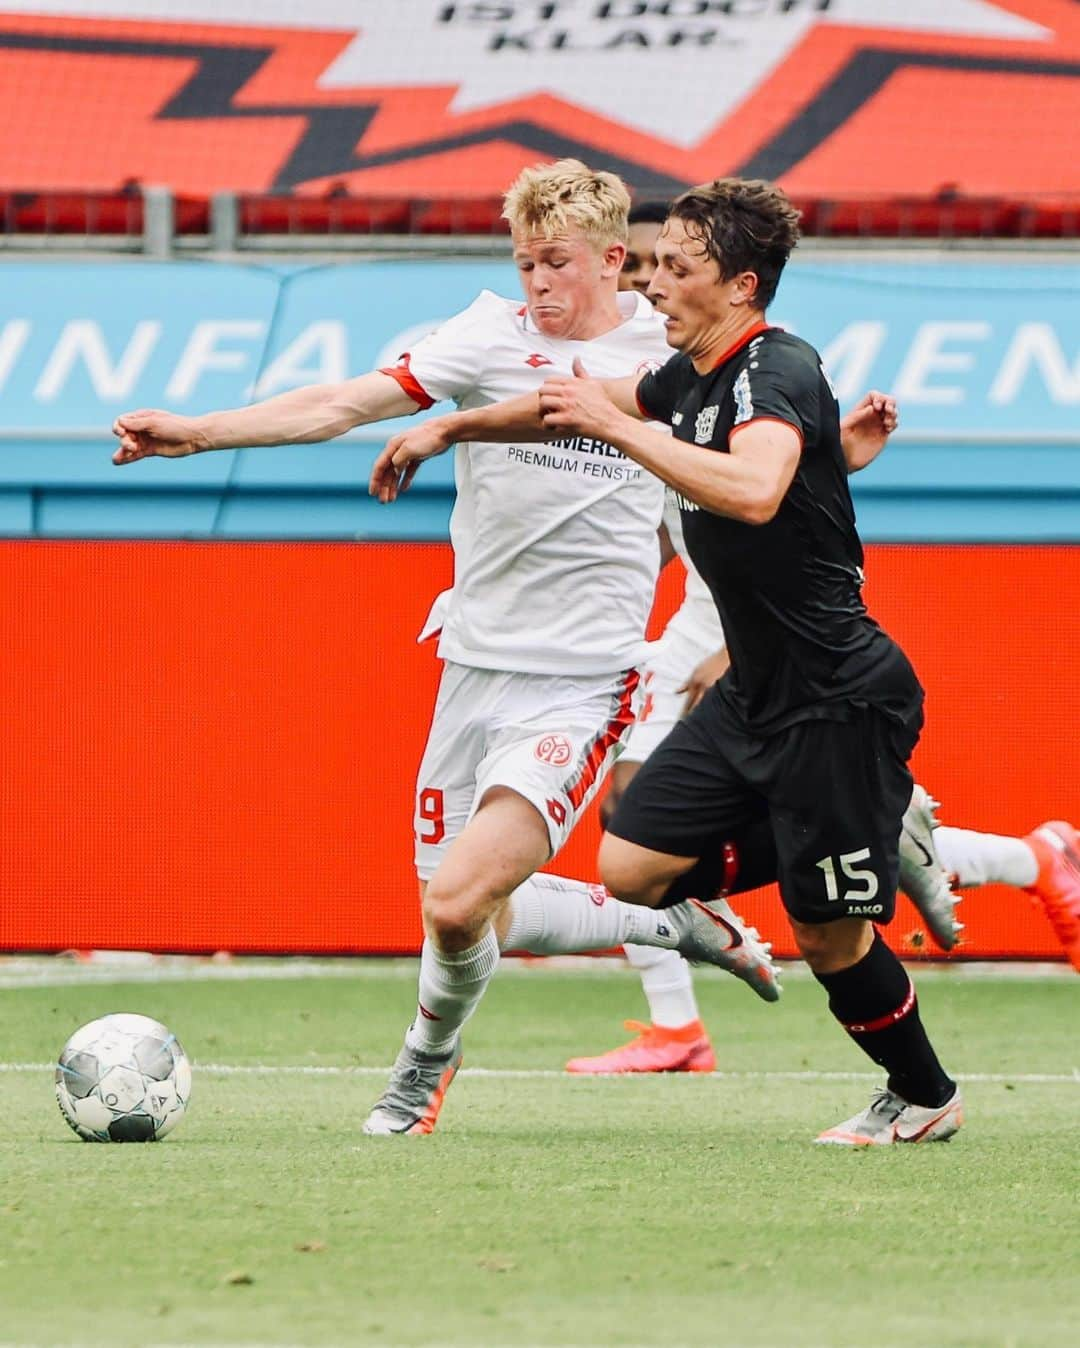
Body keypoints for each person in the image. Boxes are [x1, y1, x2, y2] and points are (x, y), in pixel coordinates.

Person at [113, 160, 791, 1138]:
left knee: (458, 897)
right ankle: (670, 919)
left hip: (585, 682)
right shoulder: (485, 337)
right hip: (472, 668)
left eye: (556, 263)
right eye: (524, 265)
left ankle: (421, 1070)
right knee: (474, 914)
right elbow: (342, 404)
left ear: (613, 259)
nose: (538, 285)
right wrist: (198, 433)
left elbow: (760, 471)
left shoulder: (669, 357)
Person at [527, 176, 962, 1144]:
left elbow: (759, 489)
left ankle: (927, 1094)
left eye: (678, 268)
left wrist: (621, 430)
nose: (653, 286)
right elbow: (576, 397)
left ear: (742, 285)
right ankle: (868, 833)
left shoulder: (777, 367)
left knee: (829, 936)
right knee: (632, 866)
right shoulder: (691, 377)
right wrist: (441, 419)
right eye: (651, 265)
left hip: (839, 698)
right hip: (753, 691)